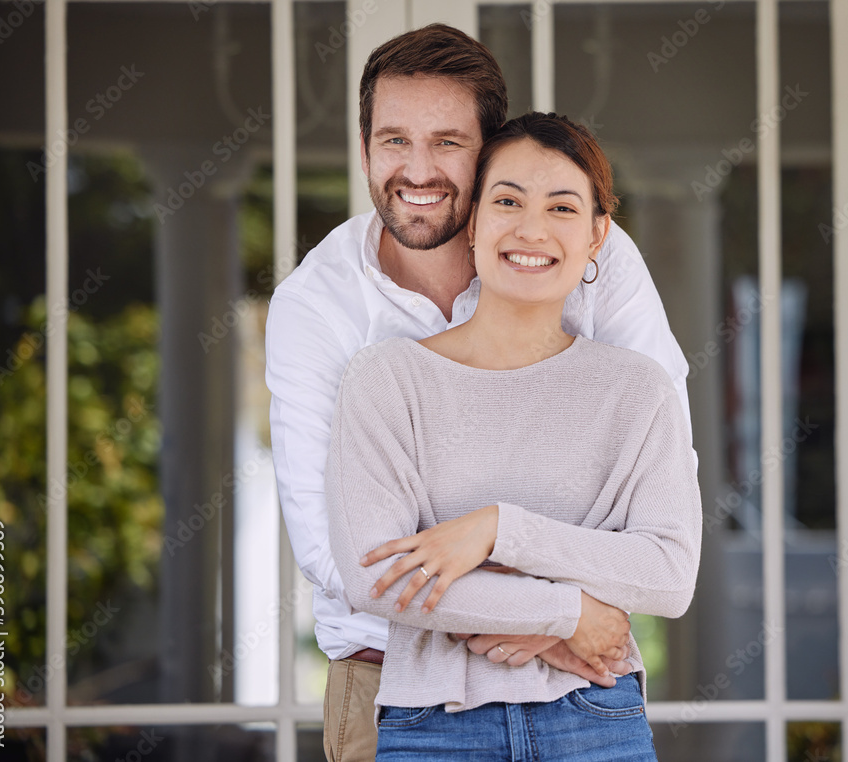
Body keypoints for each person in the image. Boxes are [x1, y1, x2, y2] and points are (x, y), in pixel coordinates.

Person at [264, 24, 693, 762]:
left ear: (490, 150)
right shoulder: (317, 307)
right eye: (394, 140)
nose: (417, 169)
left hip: (584, 694)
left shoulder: (582, 245)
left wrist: (510, 552)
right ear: (365, 149)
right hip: (393, 686)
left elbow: (660, 488)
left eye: (448, 142)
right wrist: (556, 615)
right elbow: (349, 560)